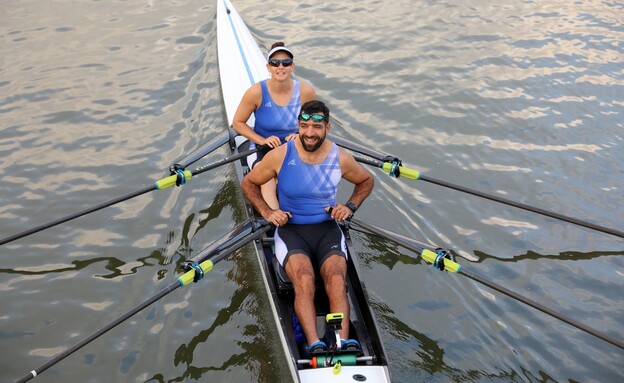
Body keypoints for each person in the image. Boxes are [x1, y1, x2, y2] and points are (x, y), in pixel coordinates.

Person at [241, 100, 374, 353]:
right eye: (304, 126)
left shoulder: (340, 157)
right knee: (304, 279)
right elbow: (248, 183)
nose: (310, 133)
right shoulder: (281, 154)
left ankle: (342, 342)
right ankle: (314, 344)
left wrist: (350, 206)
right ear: (298, 127)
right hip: (292, 231)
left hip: (327, 230)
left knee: (336, 279)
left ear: (327, 128)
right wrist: (268, 212)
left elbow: (366, 180)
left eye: (316, 127)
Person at [233, 42, 316, 210]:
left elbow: (314, 123)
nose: (280, 67)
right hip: (262, 148)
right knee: (268, 177)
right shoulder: (256, 92)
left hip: (294, 146)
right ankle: (275, 217)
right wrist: (262, 140)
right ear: (268, 67)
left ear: (292, 66)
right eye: (275, 63)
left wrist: (301, 135)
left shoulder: (306, 91)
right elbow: (237, 123)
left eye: (285, 63)